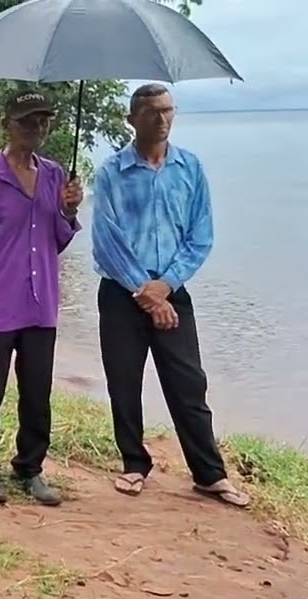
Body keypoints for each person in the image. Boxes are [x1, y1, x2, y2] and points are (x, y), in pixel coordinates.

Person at [91, 83, 250, 508]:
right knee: (124, 382)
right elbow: (106, 240)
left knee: (188, 383)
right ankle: (134, 464)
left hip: (171, 289)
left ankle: (209, 474)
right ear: (132, 119)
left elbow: (201, 236)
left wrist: (165, 287)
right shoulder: (111, 172)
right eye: (151, 112)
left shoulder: (190, 169)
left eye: (167, 110)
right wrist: (144, 290)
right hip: (121, 293)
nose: (161, 119)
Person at [0, 92, 83, 506]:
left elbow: (55, 242)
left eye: (43, 122)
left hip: (40, 304)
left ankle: (30, 468)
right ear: (6, 123)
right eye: (28, 121)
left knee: (37, 391)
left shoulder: (55, 176)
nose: (37, 129)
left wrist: (67, 212)